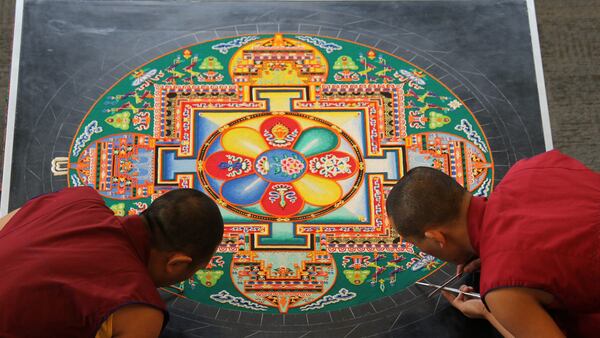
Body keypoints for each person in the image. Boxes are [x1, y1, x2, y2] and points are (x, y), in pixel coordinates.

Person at [385, 150, 600, 337]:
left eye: (417, 244)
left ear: (436, 237)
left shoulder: (502, 289)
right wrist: (497, 251)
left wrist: (490, 312)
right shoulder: (529, 168)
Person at [0, 186, 224, 338]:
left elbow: (7, 226)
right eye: (193, 270)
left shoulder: (78, 198)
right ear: (176, 263)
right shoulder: (139, 309)